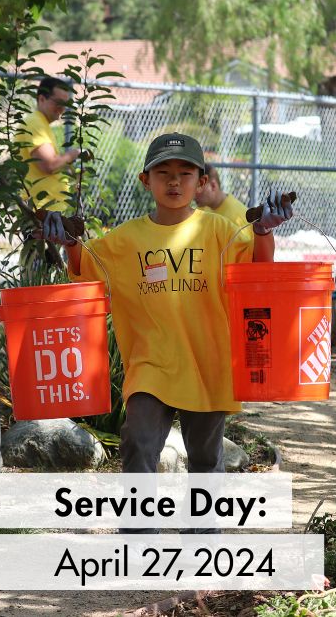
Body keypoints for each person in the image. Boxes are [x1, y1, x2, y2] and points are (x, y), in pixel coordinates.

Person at [41, 133, 293, 532]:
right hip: (150, 363)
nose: (174, 182)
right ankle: (140, 538)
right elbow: (85, 269)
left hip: (206, 364)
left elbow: (257, 267)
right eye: (164, 174)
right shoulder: (126, 240)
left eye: (184, 173)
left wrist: (264, 230)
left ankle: (203, 539)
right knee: (138, 441)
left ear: (202, 181)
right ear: (146, 181)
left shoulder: (219, 230)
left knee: (206, 459)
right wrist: (69, 241)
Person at [16, 76, 83, 212]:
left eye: (65, 104)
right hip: (41, 211)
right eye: (58, 103)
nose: (62, 108)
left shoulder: (41, 124)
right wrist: (74, 154)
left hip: (47, 211)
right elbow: (49, 165)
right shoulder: (35, 123)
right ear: (41, 99)